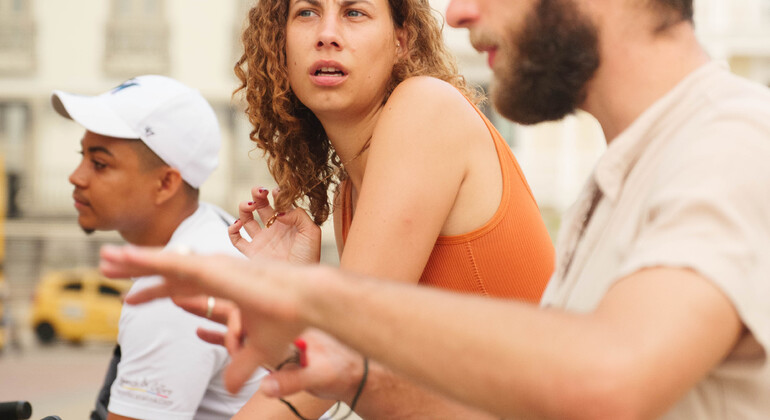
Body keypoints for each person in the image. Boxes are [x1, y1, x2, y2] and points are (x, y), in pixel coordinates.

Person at [100, 0, 770, 418]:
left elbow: (609, 383)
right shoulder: (620, 178)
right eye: (306, 13)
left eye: (355, 12)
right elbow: (518, 405)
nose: (456, 13)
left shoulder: (731, 138)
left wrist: (318, 303)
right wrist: (327, 347)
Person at [223, 0, 554, 416]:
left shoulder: (426, 108)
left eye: (354, 13)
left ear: (402, 41)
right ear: (279, 44)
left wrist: (313, 316)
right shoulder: (349, 197)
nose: (327, 34)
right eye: (307, 12)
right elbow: (364, 380)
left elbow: (344, 353)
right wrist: (297, 295)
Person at [52, 75, 269, 420]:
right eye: (82, 156)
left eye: (99, 164)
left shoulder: (173, 293)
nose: (76, 176)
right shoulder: (213, 228)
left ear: (166, 182)